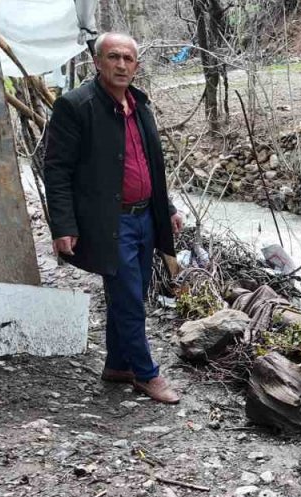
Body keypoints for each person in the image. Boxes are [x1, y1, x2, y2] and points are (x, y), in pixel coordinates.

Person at [44, 32, 182, 404]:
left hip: (144, 219)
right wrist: (64, 225)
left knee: (131, 293)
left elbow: (150, 165)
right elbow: (56, 170)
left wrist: (166, 208)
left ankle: (118, 364)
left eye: (128, 59)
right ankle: (145, 373)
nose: (122, 65)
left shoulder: (140, 105)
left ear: (136, 66)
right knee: (128, 299)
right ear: (98, 63)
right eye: (113, 57)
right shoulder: (76, 105)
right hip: (109, 222)